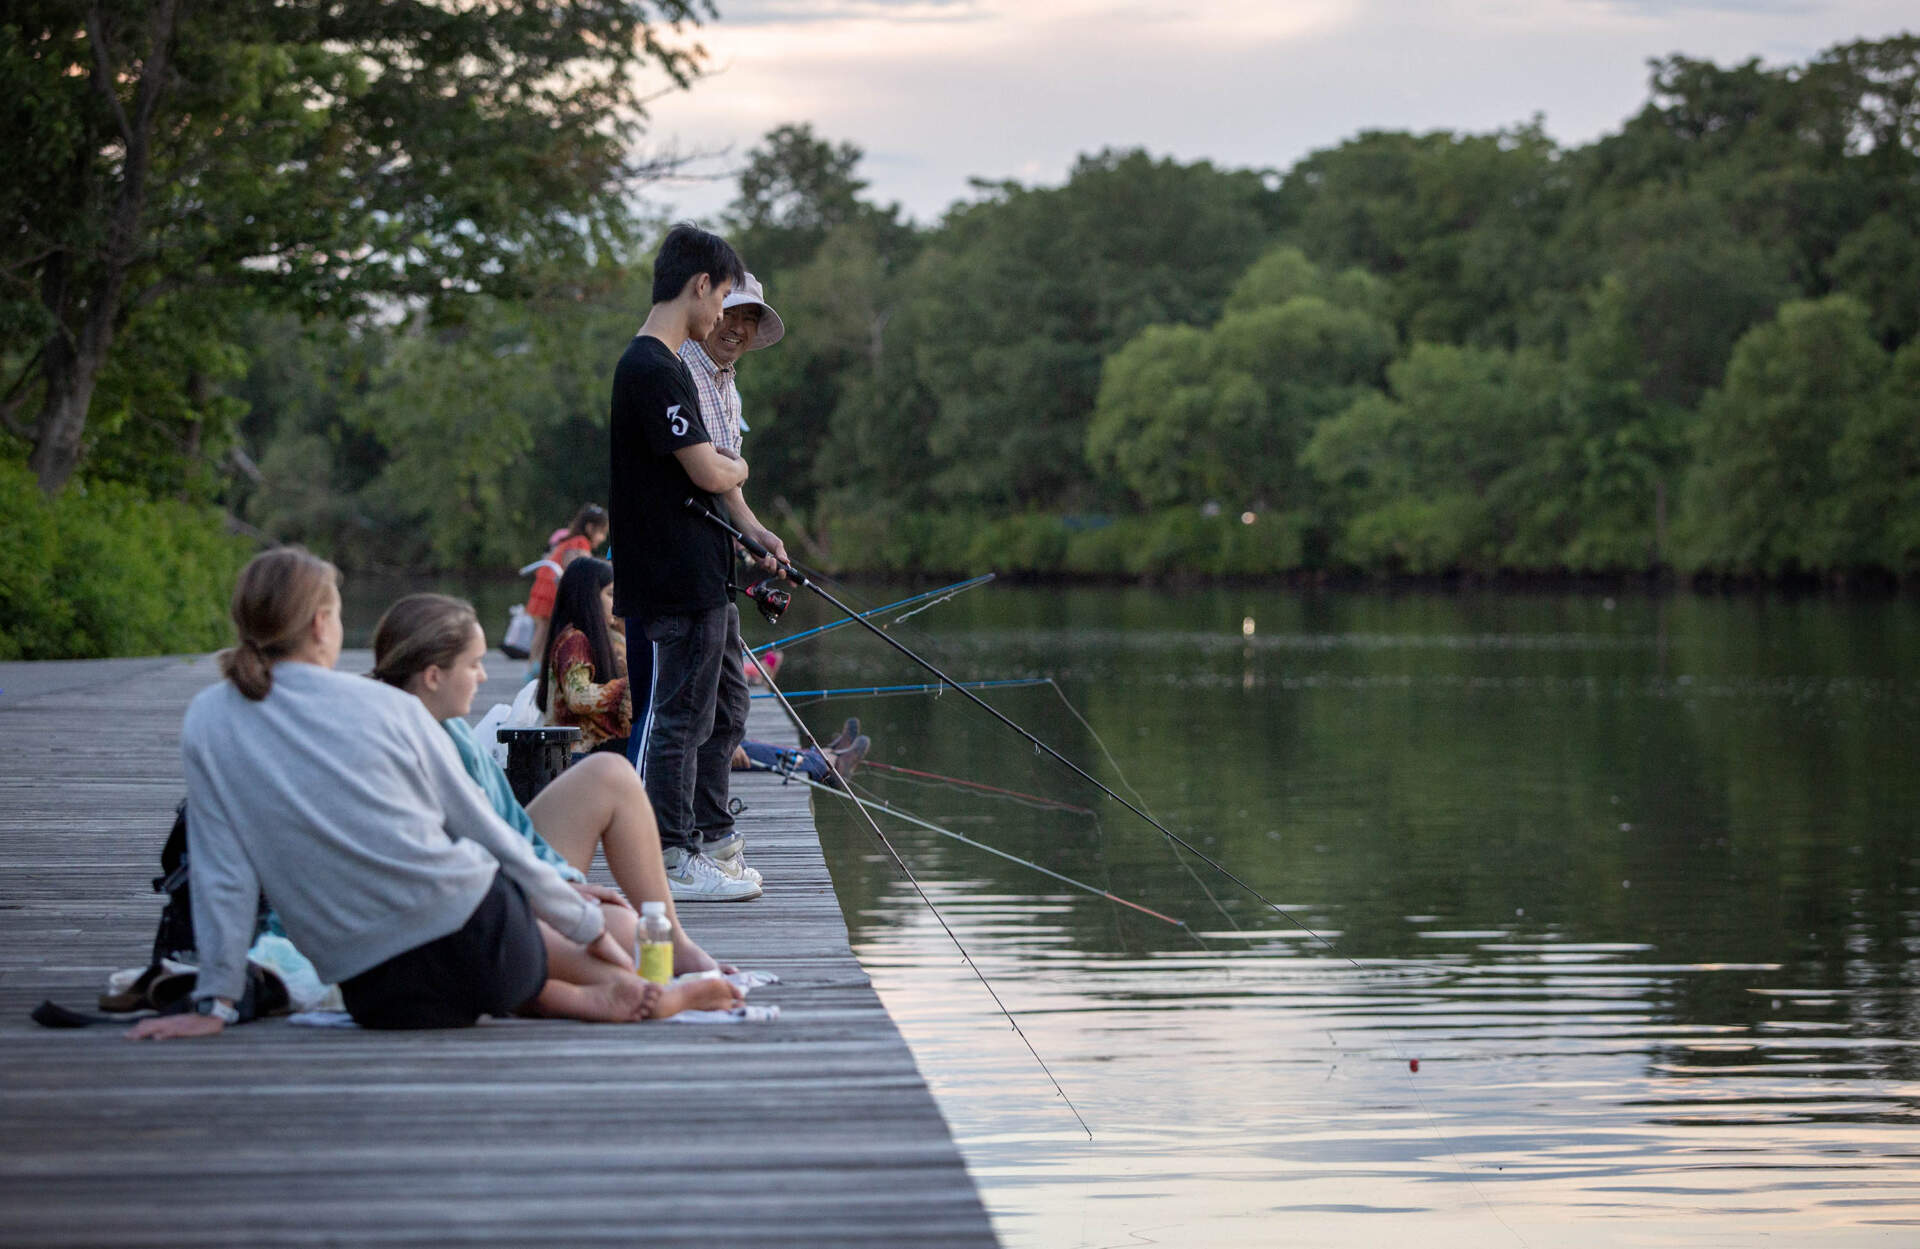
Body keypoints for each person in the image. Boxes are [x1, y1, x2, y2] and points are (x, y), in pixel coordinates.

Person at [130, 548, 737, 1040]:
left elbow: (221, 868)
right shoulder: (383, 708)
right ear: (321, 625)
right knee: (596, 961)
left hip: (380, 994)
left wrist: (216, 999)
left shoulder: (208, 718)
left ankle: (603, 994)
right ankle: (645, 989)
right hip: (483, 942)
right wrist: (582, 921)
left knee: (545, 983)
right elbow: (486, 832)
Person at [370, 592, 727, 977]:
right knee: (622, 929)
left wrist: (562, 878)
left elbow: (506, 825)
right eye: (473, 664)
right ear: (433, 676)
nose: (484, 676)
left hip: (513, 865)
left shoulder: (450, 726)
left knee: (611, 774)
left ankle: (676, 942)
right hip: (477, 898)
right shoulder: (399, 745)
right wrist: (556, 890)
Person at [607, 222, 761, 904]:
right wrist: (739, 463)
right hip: (670, 576)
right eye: (723, 295)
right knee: (673, 718)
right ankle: (664, 856)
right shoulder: (649, 367)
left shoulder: (668, 366)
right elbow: (706, 468)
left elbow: (710, 472)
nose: (722, 312)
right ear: (699, 285)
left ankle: (687, 845)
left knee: (703, 713)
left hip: (700, 572)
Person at [653, 269, 790, 889]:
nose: (737, 329)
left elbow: (728, 481)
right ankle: (675, 849)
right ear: (709, 306)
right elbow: (714, 472)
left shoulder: (727, 382)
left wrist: (758, 533)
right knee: (687, 713)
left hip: (718, 561)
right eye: (731, 314)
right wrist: (738, 470)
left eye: (750, 321)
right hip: (684, 563)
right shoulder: (678, 370)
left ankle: (711, 831)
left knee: (731, 702)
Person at [536, 557, 632, 760]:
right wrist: (625, 687)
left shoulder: (610, 637)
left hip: (592, 751)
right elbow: (578, 696)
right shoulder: (574, 640)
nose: (617, 602)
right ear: (589, 598)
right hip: (573, 755)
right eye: (610, 594)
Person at [523, 504, 609, 678]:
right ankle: (538, 669)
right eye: (601, 532)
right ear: (590, 527)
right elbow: (581, 568)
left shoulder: (569, 540)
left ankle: (533, 667)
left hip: (545, 584)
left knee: (542, 630)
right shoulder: (580, 542)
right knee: (547, 630)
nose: (602, 538)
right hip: (552, 588)